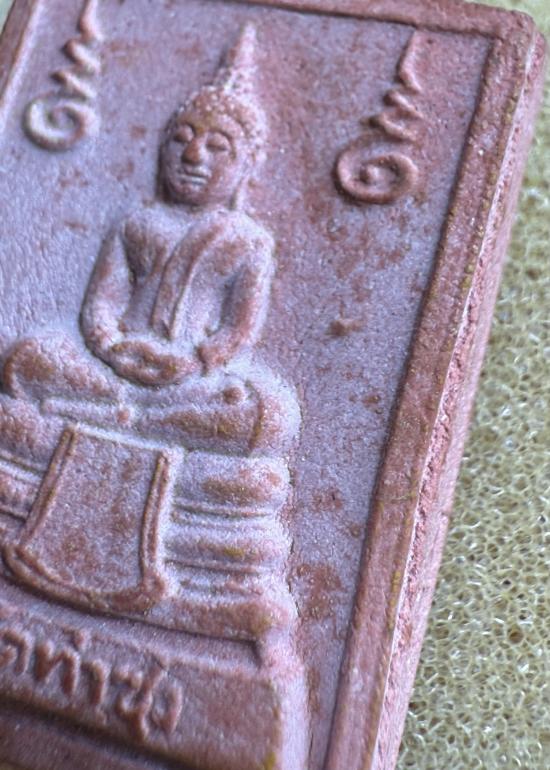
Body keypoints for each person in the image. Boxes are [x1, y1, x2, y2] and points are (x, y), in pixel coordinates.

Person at [0, 23, 299, 464]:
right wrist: (112, 348)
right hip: (111, 369)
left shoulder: (248, 241)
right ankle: (137, 421)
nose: (193, 156)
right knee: (29, 359)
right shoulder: (137, 223)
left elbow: (239, 329)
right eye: (180, 140)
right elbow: (102, 305)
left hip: (192, 382)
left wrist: (194, 362)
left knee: (267, 413)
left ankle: (113, 420)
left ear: (247, 165)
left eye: (217, 147)